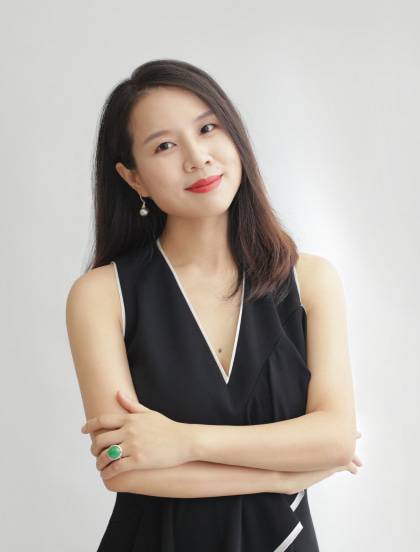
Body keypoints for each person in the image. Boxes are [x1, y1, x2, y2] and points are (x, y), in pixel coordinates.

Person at [66, 59, 362, 551]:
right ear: (133, 178)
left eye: (207, 128)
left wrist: (183, 442)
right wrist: (282, 475)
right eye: (164, 145)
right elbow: (123, 467)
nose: (197, 158)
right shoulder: (101, 294)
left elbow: (335, 438)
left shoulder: (310, 280)